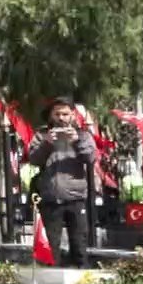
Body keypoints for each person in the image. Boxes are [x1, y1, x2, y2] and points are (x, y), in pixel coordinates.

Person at [28, 98, 96, 268]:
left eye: (65, 114)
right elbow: (33, 159)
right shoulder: (42, 135)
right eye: (57, 114)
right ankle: (53, 279)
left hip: (76, 197)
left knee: (79, 244)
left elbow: (91, 158)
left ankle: (81, 276)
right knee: (51, 245)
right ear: (51, 115)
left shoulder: (82, 135)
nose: (61, 118)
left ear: (72, 115)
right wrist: (47, 144)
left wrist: (76, 141)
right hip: (51, 198)